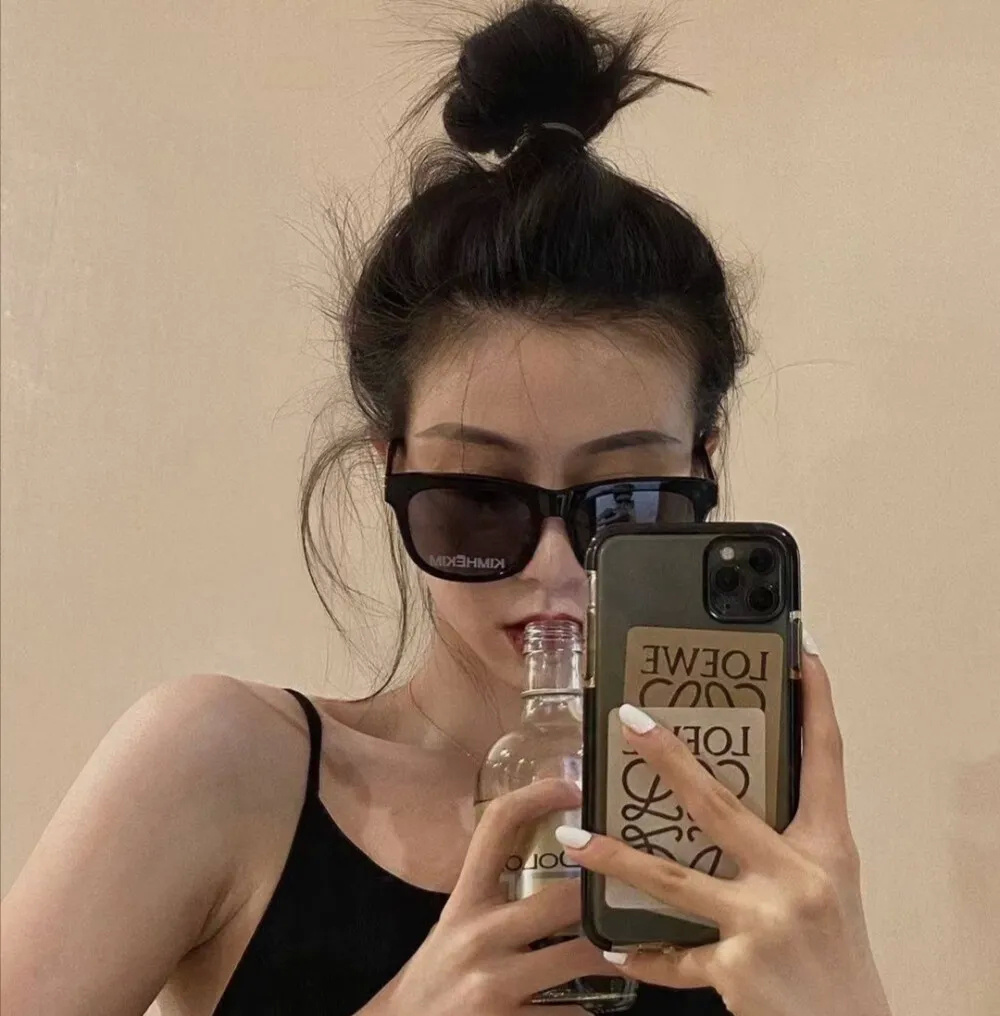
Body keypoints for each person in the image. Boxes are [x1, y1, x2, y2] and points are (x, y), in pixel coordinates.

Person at [0, 3, 893, 1015]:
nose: (556, 567)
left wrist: (843, 995)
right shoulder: (225, 766)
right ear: (393, 468)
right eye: (478, 499)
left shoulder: (750, 838)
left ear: (703, 470)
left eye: (627, 502)